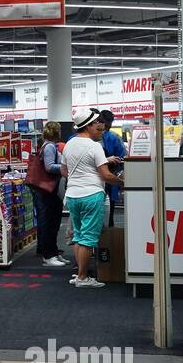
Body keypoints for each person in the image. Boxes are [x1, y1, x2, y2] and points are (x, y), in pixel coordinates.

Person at [61, 108, 123, 288]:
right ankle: (82, 277)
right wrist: (121, 182)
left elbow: (64, 171)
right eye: (97, 125)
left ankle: (80, 274)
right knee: (88, 239)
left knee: (79, 236)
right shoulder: (95, 146)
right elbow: (105, 175)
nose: (100, 128)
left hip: (72, 196)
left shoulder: (69, 144)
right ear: (88, 126)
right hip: (91, 195)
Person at [31, 121, 67, 267]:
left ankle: (53, 252)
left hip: (48, 190)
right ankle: (48, 255)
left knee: (52, 221)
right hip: (46, 189)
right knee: (48, 222)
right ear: (57, 132)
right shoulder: (50, 147)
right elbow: (49, 166)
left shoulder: (48, 145)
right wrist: (65, 167)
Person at [97, 109, 126, 227]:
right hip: (95, 180)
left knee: (110, 211)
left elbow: (122, 156)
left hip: (110, 177)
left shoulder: (114, 137)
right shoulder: (88, 138)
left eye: (109, 125)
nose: (106, 128)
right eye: (105, 125)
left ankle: (108, 236)